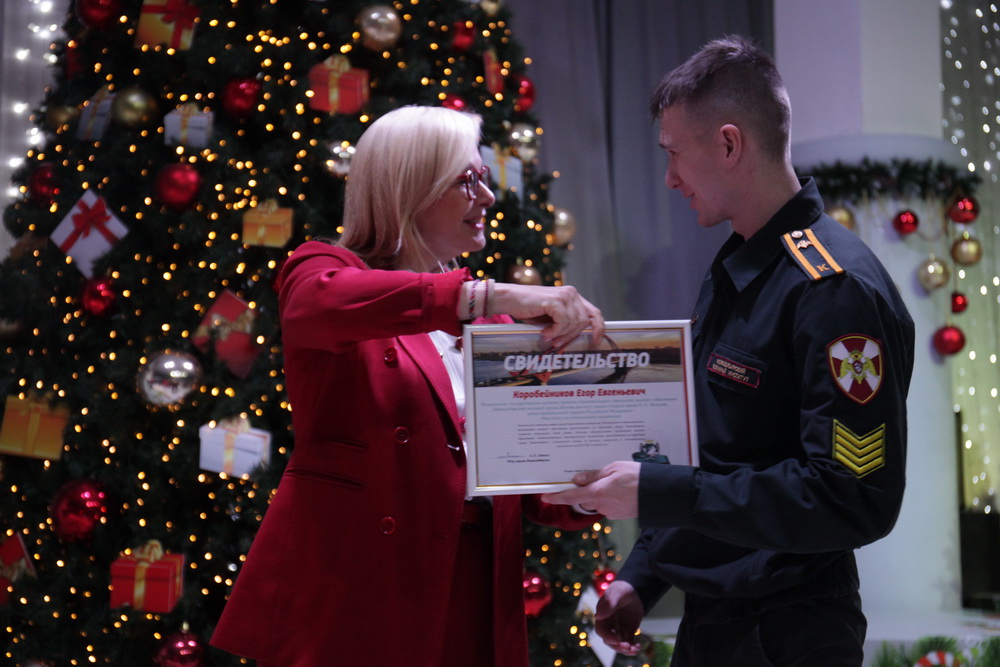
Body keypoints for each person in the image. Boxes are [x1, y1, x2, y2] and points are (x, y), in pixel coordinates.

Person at [542, 36, 915, 666]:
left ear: (728, 144)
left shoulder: (832, 287)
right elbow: (714, 451)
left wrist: (658, 492)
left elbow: (851, 498)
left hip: (788, 632)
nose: (670, 178)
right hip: (715, 622)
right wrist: (642, 575)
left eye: (674, 154)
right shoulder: (739, 267)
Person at [210, 105, 605, 667]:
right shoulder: (323, 268)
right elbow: (316, 305)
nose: (487, 197)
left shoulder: (492, 325)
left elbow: (526, 481)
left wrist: (597, 483)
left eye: (485, 179)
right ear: (410, 187)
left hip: (474, 588)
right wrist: (487, 295)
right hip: (361, 586)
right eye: (468, 180)